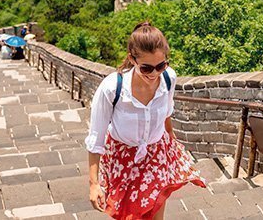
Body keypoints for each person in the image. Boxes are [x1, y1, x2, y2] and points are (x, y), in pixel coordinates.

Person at [86, 21, 204, 219]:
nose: (155, 73)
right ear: (132, 59)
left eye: (161, 65)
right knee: (130, 216)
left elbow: (167, 111)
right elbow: (95, 139)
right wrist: (94, 184)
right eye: (147, 68)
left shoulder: (169, 78)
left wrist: (172, 142)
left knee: (156, 213)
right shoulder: (112, 88)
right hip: (122, 158)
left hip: (156, 154)